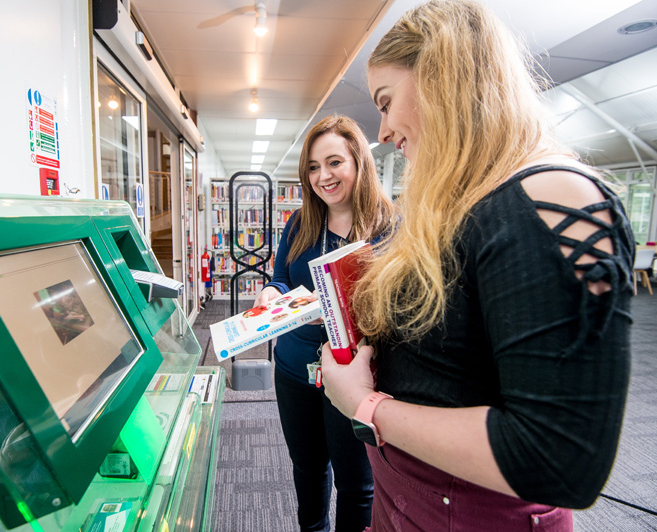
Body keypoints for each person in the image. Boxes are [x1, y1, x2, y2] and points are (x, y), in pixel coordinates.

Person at [320, 1, 635, 531]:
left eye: (387, 100)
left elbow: (560, 460)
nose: (385, 127)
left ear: (441, 78)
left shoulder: (554, 196)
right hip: (406, 506)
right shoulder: (464, 206)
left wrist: (364, 405)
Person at [253, 115, 395, 532]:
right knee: (308, 469)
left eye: (334, 162)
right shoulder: (300, 222)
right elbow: (281, 276)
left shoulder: (388, 227)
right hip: (295, 368)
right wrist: (272, 293)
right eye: (313, 167)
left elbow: (396, 309)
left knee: (356, 484)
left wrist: (340, 302)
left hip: (354, 374)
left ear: (359, 163)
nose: (323, 176)